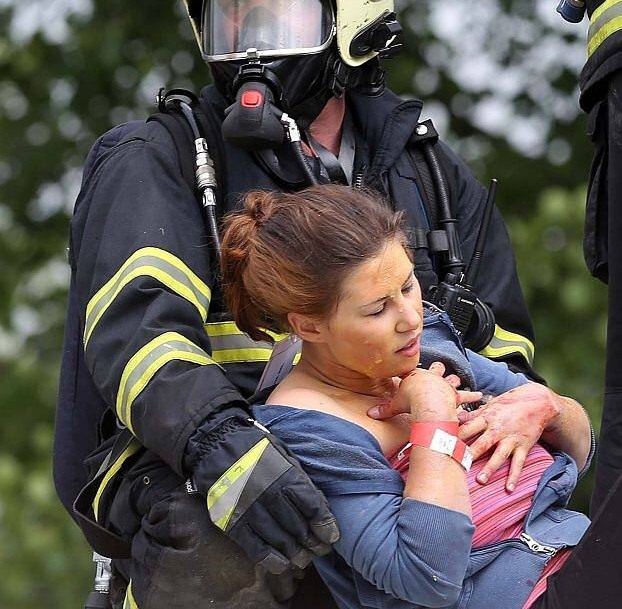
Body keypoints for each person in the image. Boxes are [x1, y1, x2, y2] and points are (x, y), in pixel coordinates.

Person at [66, 0, 562, 609]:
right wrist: (225, 449)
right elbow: (138, 339)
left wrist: (523, 407)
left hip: (397, 459)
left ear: (351, 15)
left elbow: (502, 352)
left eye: (274, 14)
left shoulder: (428, 175)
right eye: (226, 16)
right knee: (218, 543)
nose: (248, 47)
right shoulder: (158, 161)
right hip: (199, 469)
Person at [219, 183, 622, 609]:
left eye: (409, 286)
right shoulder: (308, 429)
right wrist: (435, 415)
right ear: (310, 327)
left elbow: (583, 454)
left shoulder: (426, 346)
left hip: (576, 549)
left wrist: (551, 408)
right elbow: (427, 575)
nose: (411, 318)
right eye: (377, 309)